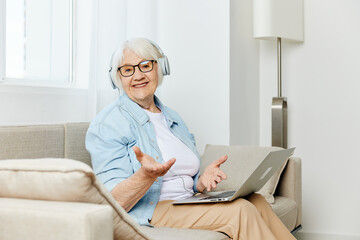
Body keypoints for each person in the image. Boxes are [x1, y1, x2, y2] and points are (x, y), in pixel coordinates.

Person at [85, 38, 296, 240]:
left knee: (256, 200)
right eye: (128, 70)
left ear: (160, 68)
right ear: (118, 78)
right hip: (150, 209)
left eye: (145, 66)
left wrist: (201, 182)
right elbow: (112, 202)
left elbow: (183, 177)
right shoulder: (108, 125)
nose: (138, 75)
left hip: (186, 201)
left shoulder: (172, 117)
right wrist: (145, 176)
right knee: (240, 210)